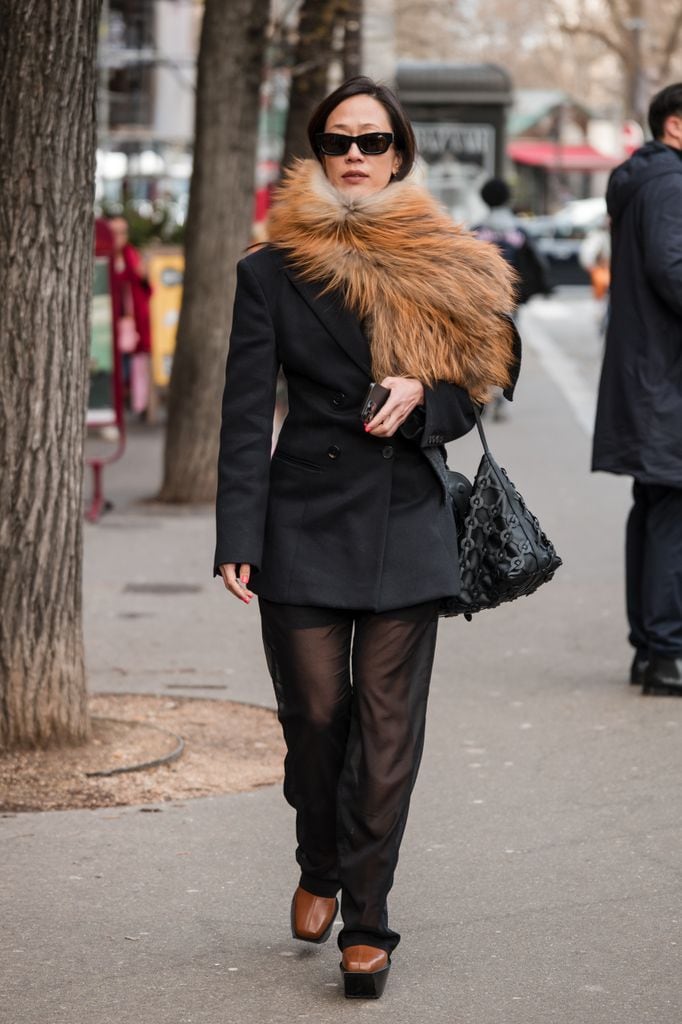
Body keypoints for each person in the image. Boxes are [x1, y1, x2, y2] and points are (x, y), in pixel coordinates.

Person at [214, 77, 519, 999]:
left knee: (386, 732)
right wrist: (237, 529)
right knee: (315, 720)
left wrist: (427, 395)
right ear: (317, 151)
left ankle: (368, 916)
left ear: (400, 155)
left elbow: (479, 389)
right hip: (301, 518)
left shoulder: (450, 262)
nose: (357, 154)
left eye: (375, 141)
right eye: (340, 139)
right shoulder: (269, 270)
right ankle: (318, 854)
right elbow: (241, 414)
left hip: (404, 517)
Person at [592, 83, 682, 696]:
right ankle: (668, 653)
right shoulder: (672, 183)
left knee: (653, 509)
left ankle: (650, 649)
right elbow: (673, 268)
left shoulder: (639, 179)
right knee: (671, 513)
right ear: (675, 125)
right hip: (667, 379)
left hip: (648, 375)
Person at [472, 177, 551, 418]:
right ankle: (500, 397)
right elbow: (536, 265)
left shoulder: (475, 231)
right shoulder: (518, 231)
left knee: (482, 347)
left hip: (482, 301)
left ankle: (482, 393)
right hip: (510, 299)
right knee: (507, 348)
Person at [108, 215, 153, 417]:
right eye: (114, 232)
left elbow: (146, 290)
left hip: (131, 327)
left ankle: (130, 407)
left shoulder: (132, 256)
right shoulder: (103, 257)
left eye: (122, 232)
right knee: (114, 373)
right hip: (109, 326)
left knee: (131, 371)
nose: (118, 237)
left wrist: (142, 276)